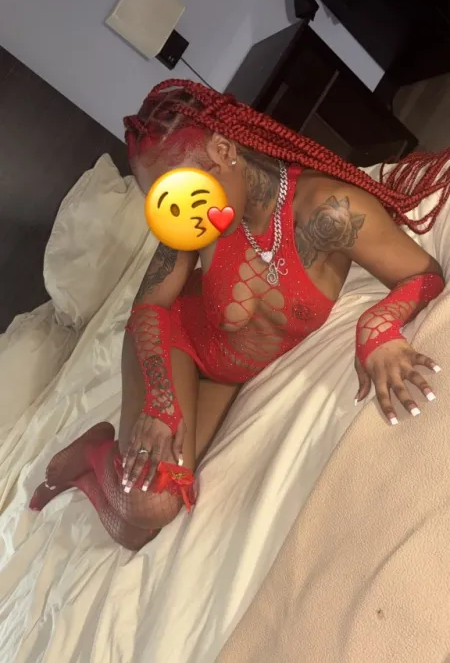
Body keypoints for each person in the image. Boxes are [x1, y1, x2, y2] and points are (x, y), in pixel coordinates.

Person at [29, 79, 448, 549]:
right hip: (176, 343)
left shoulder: (326, 213)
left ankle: (94, 450)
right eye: (159, 201)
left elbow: (422, 274)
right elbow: (151, 305)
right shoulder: (192, 219)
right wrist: (161, 402)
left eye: (182, 190)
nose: (176, 214)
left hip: (224, 377)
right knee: (151, 507)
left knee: (136, 530)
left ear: (225, 149)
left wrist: (377, 327)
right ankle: (99, 451)